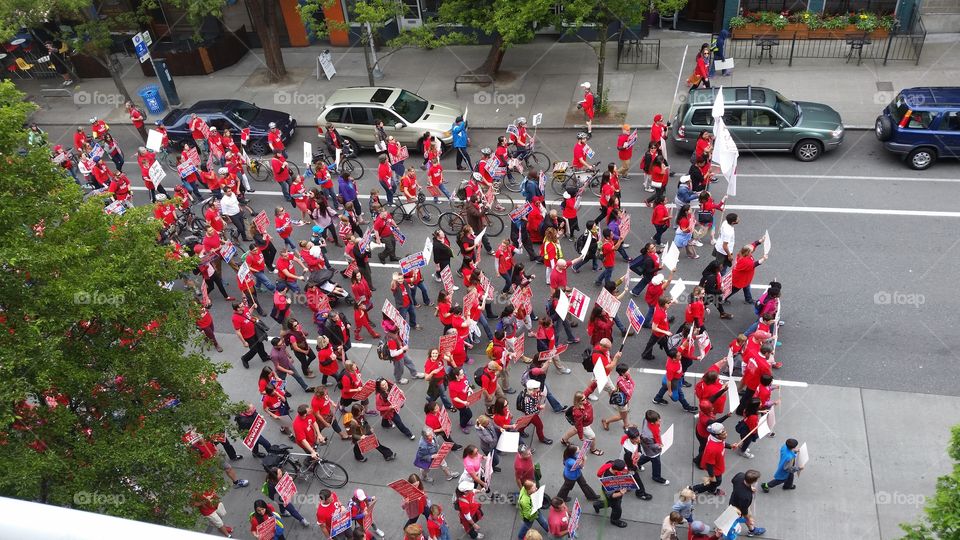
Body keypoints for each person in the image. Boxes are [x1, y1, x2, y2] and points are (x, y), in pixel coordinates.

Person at [690, 423, 740, 496]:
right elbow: (709, 464)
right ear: (717, 435)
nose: (725, 433)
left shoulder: (716, 438)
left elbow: (722, 443)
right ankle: (694, 489)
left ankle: (712, 489)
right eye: (722, 432)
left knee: (714, 483)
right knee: (716, 482)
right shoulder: (712, 449)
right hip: (715, 469)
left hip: (718, 464)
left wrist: (730, 446)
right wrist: (712, 476)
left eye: (724, 430)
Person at [653, 348, 699, 412]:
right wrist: (670, 391)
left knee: (664, 387)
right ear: (674, 358)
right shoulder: (671, 368)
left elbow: (683, 346)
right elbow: (669, 381)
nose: (680, 355)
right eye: (679, 356)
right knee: (680, 394)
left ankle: (657, 398)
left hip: (676, 378)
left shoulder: (673, 356)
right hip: (674, 381)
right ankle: (686, 406)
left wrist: (689, 339)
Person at [591, 459, 631, 528]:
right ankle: (614, 520)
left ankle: (597, 505)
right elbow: (611, 495)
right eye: (621, 471)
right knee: (617, 508)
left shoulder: (611, 464)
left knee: (609, 503)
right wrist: (621, 493)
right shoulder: (608, 480)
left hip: (615, 490)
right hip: (613, 493)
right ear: (616, 470)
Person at [619, 427, 654, 500]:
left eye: (638, 436)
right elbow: (629, 465)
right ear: (631, 439)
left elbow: (638, 446)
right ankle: (640, 493)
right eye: (636, 438)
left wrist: (639, 453)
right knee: (637, 479)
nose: (638, 439)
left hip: (633, 461)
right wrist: (635, 468)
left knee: (628, 476)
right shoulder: (628, 451)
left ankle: (626, 485)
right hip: (628, 466)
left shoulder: (635, 441)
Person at [232, 302, 269, 369]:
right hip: (248, 337)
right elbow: (238, 332)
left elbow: (248, 313)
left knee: (260, 344)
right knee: (254, 350)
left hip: (255, 332)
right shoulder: (235, 318)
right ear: (237, 309)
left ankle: (264, 357)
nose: (244, 306)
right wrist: (244, 342)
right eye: (242, 306)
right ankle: (245, 358)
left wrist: (252, 307)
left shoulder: (244, 309)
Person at [729, 470, 767, 536]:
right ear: (753, 482)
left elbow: (733, 481)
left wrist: (749, 488)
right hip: (738, 507)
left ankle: (751, 530)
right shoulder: (746, 496)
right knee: (743, 517)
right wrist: (749, 519)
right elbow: (744, 511)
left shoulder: (740, 475)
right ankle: (752, 530)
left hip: (733, 500)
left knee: (731, 517)